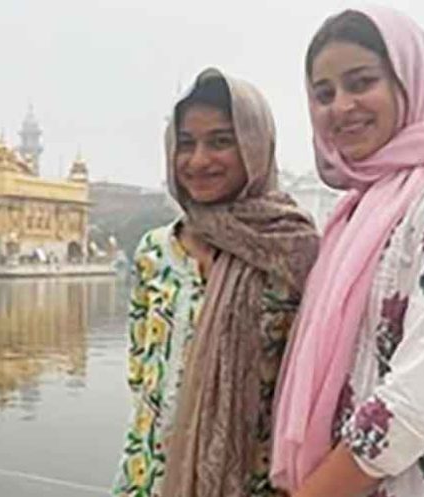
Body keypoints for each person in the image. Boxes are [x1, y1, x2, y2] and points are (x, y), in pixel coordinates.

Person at [111, 68, 319, 497]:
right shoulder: (156, 252)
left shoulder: (292, 251)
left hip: (252, 480)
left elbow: (312, 387)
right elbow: (141, 372)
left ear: (255, 147)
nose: (199, 160)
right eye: (186, 144)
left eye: (221, 142)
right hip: (151, 474)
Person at [271, 7, 424, 497]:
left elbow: (421, 399)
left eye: (361, 82)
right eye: (323, 93)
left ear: (408, 82)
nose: (341, 106)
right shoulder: (357, 209)